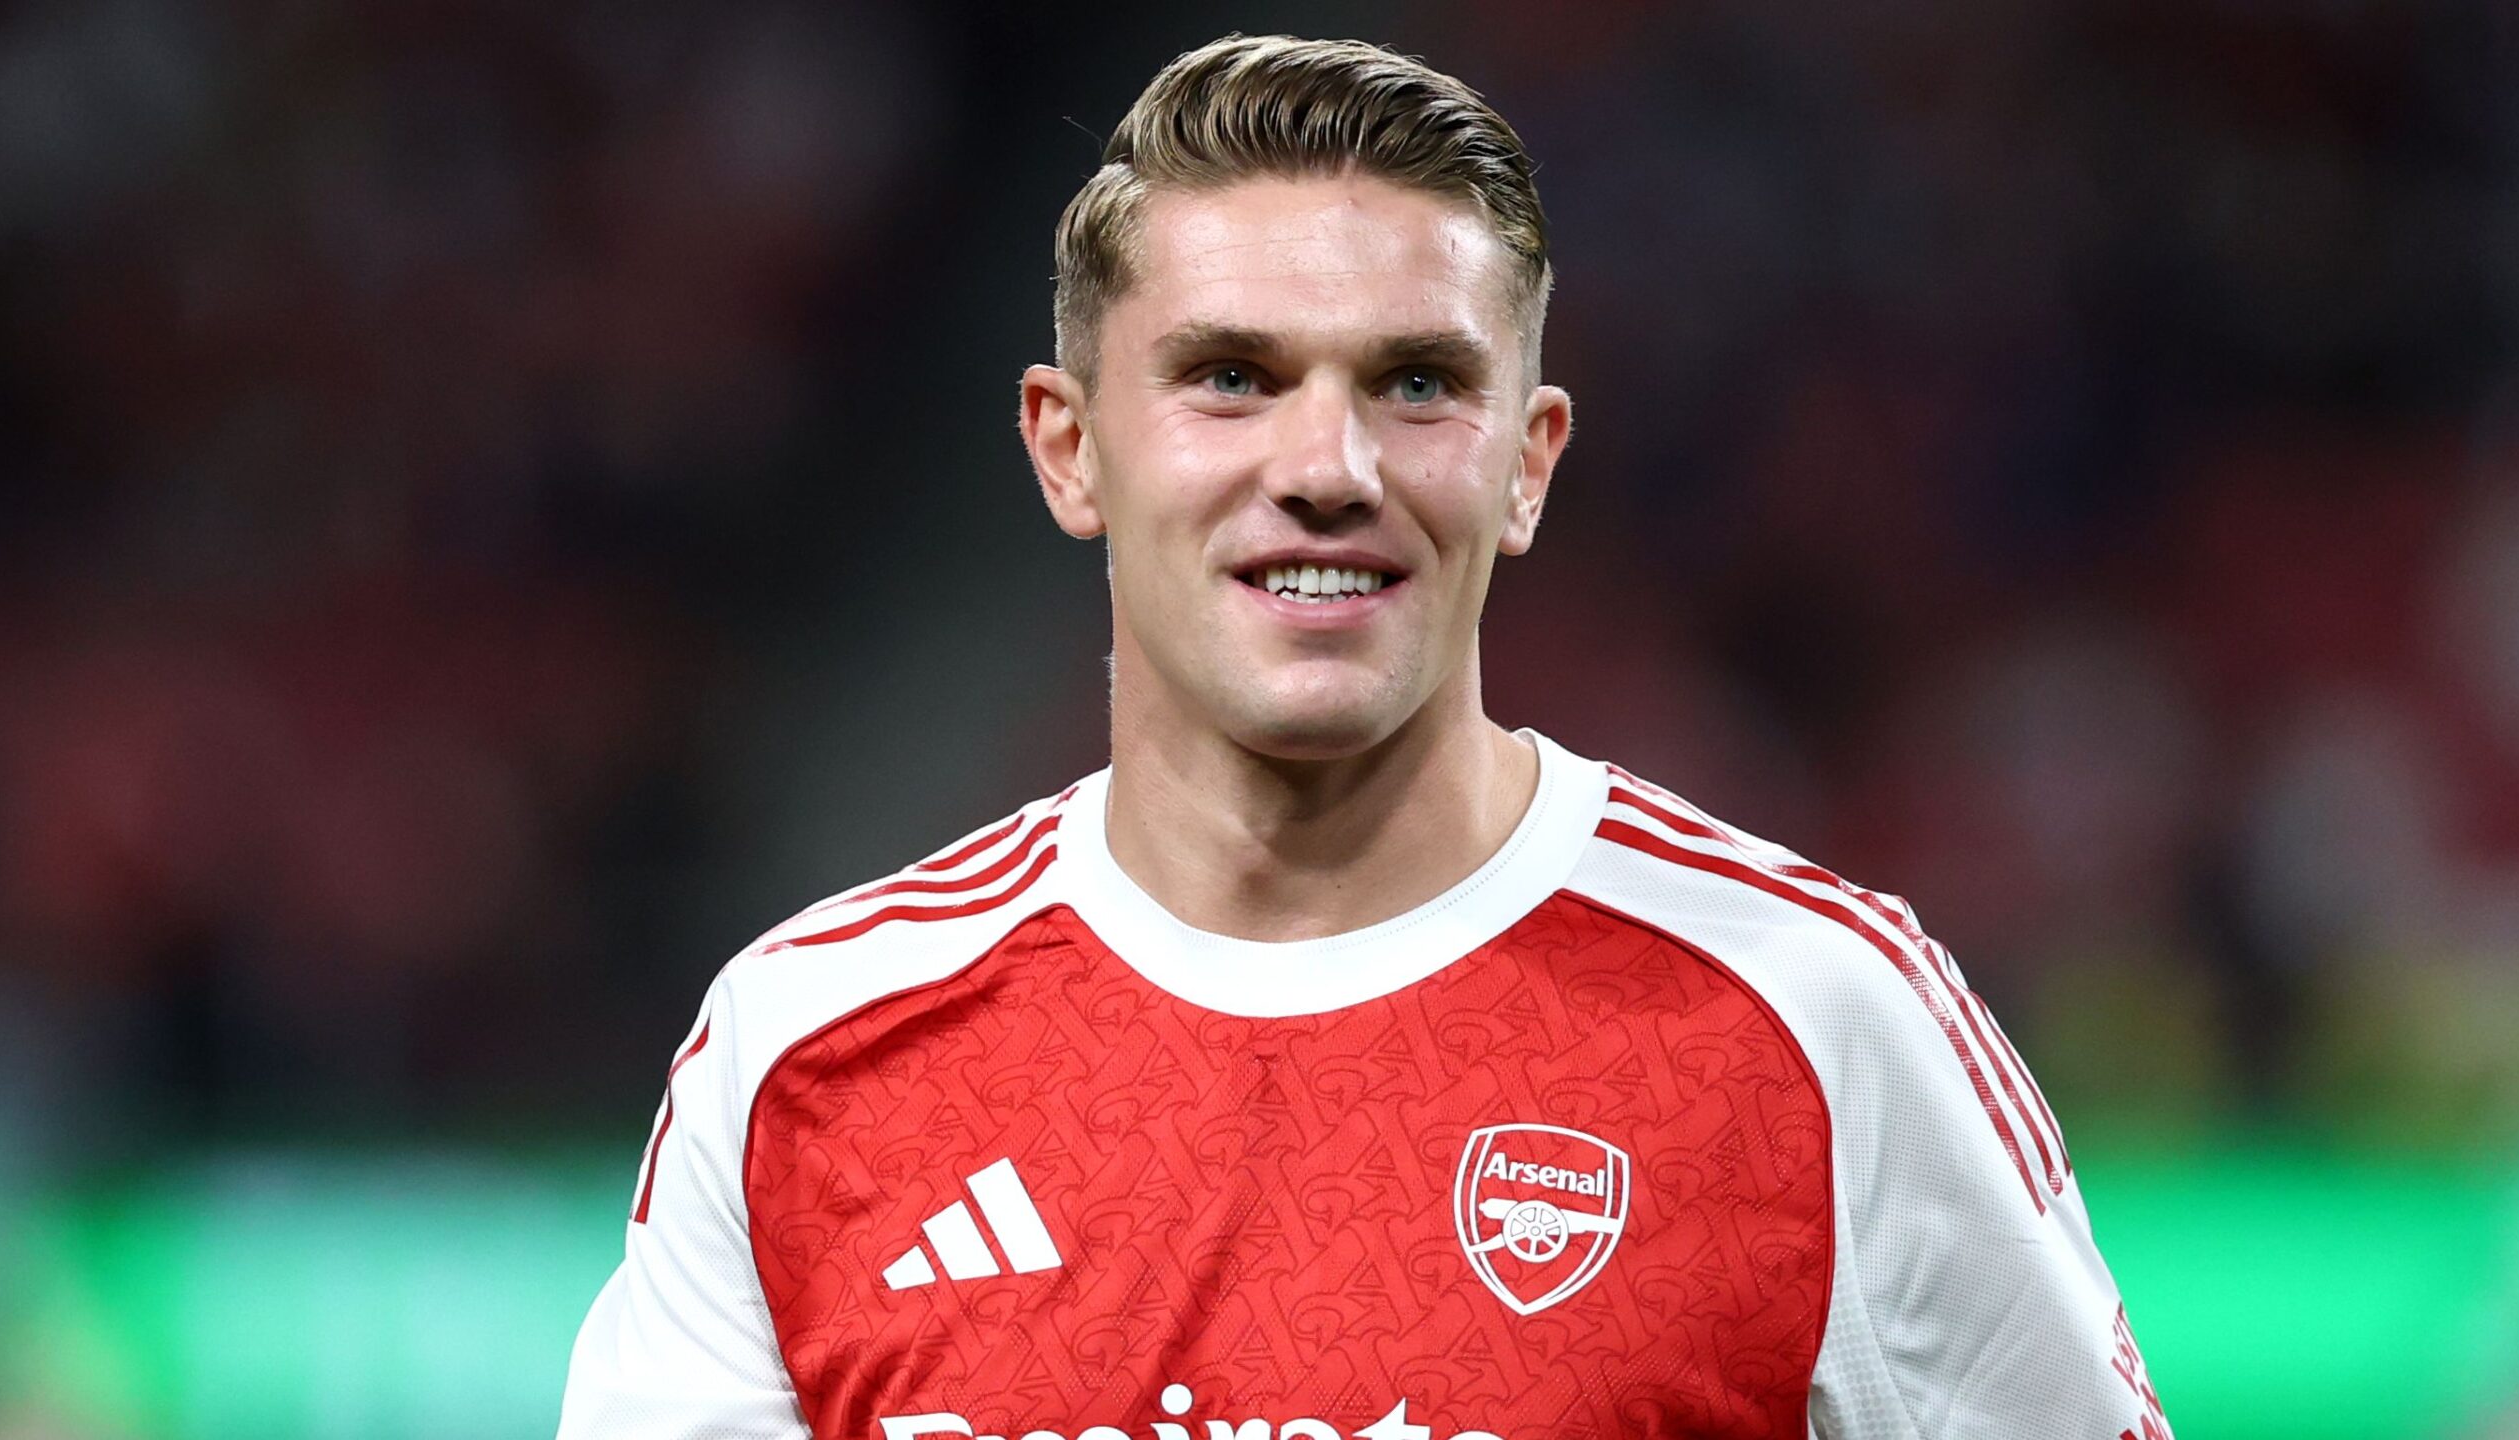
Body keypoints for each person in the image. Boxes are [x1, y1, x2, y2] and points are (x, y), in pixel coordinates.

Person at [559, 34, 2172, 1440]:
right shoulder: (812, 1052)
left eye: (1415, 383)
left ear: (1528, 463)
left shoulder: (1818, 1021)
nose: (1328, 466)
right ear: (1069, 448)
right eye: (1231, 378)